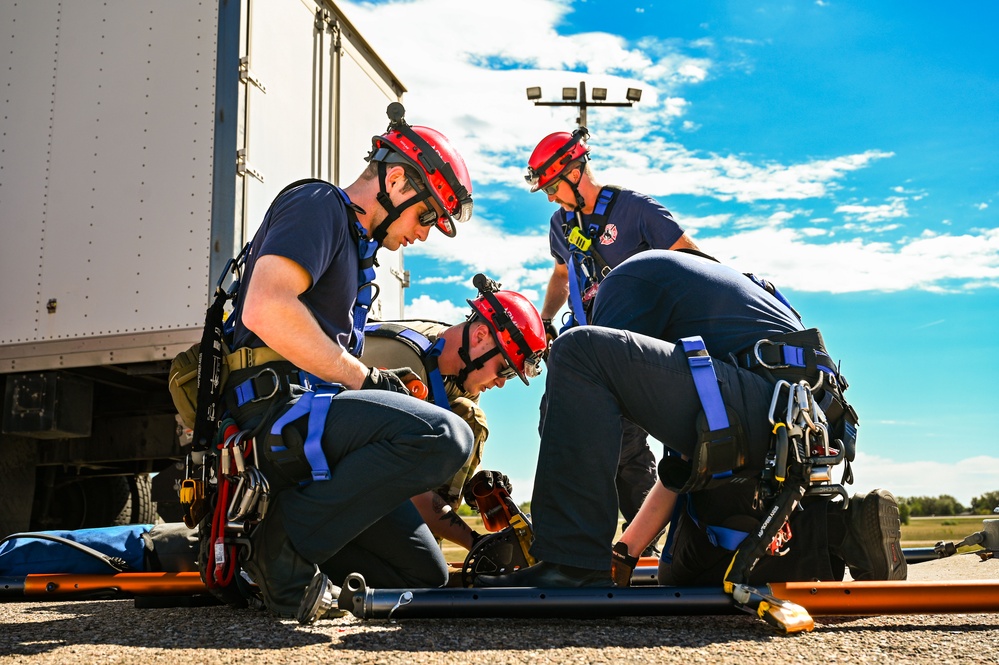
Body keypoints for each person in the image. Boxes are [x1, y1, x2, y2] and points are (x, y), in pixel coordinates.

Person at [477, 250, 906, 588]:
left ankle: (569, 563)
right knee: (681, 576)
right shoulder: (697, 321)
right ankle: (840, 529)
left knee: (577, 350)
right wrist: (625, 552)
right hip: (791, 424)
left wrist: (569, 544)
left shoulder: (624, 282)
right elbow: (683, 462)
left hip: (768, 409)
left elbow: (617, 436)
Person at [221, 104, 477, 619]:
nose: (424, 233)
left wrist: (374, 386)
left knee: (424, 576)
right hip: (277, 415)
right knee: (446, 436)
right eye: (426, 214)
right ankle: (283, 549)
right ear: (397, 180)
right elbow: (267, 306)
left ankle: (289, 558)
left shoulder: (358, 251)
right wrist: (364, 377)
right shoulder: (317, 205)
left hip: (312, 419)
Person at [525, 128, 701, 550]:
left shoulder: (637, 210)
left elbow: (691, 259)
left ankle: (598, 549)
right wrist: (544, 320)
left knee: (618, 442)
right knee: (559, 426)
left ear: (575, 171)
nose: (549, 197)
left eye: (552, 186)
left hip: (633, 350)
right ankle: (647, 549)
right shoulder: (560, 223)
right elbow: (563, 275)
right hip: (584, 349)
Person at [357, 275, 546, 558]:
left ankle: (423, 549)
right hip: (328, 475)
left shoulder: (460, 378)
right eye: (504, 369)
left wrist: (474, 486)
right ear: (481, 337)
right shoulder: (404, 365)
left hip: (378, 471)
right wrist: (475, 543)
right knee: (424, 571)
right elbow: (403, 484)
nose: (502, 383)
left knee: (469, 421)